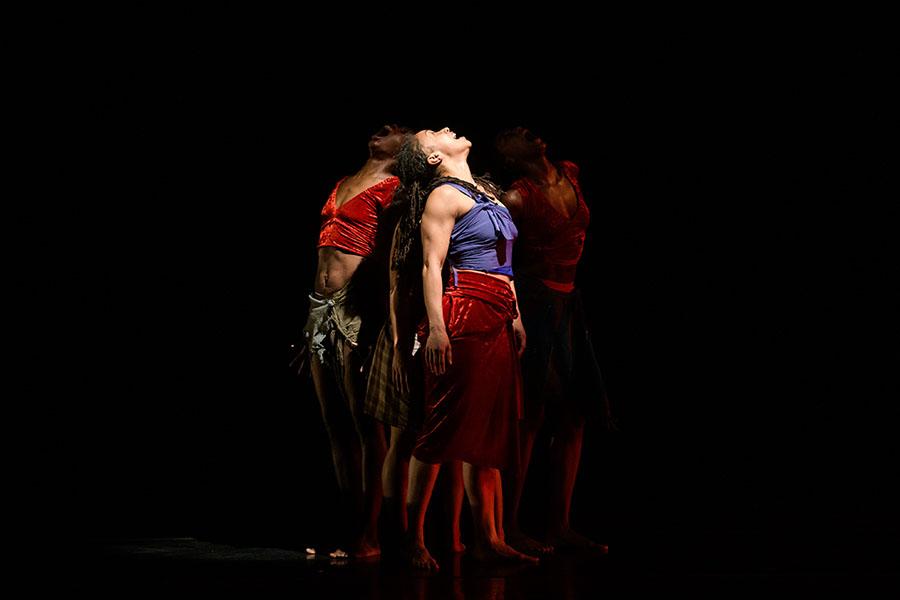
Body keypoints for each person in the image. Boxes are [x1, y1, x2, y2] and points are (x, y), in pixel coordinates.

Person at [395, 127, 538, 571]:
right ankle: (413, 540)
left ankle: (488, 538)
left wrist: (515, 315)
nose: (446, 129)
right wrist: (436, 327)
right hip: (464, 312)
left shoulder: (484, 193)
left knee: (491, 429)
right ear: (434, 157)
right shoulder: (443, 197)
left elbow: (506, 265)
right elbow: (430, 265)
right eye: (434, 133)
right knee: (443, 427)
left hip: (497, 313)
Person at [494, 126, 614, 555]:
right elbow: (503, 264)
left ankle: (559, 525)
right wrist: (515, 315)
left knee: (575, 413)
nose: (526, 131)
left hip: (569, 302)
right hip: (536, 299)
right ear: (507, 155)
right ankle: (508, 527)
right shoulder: (517, 197)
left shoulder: (570, 173)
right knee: (530, 415)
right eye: (512, 133)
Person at [303, 124, 408, 558]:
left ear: (407, 147)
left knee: (367, 427)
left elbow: (393, 256)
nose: (385, 127)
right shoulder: (345, 181)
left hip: (356, 307)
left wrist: (380, 317)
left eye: (398, 127)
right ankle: (349, 524)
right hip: (320, 307)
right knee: (334, 425)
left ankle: (372, 532)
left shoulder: (397, 188)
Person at [363, 181, 466, 557]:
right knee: (404, 439)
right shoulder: (410, 222)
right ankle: (402, 535)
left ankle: (452, 536)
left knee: (450, 444)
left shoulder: (459, 212)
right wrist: (398, 346)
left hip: (449, 332)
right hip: (410, 335)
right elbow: (397, 288)